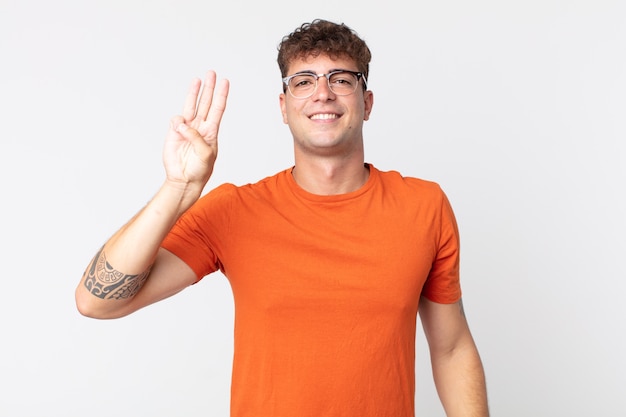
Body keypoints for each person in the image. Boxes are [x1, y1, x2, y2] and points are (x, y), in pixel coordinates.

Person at [76, 19, 489, 417]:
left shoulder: (423, 206)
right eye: (303, 81)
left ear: (367, 103)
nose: (322, 93)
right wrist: (179, 188)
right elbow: (96, 302)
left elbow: (451, 348)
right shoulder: (234, 211)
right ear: (284, 107)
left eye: (342, 79)